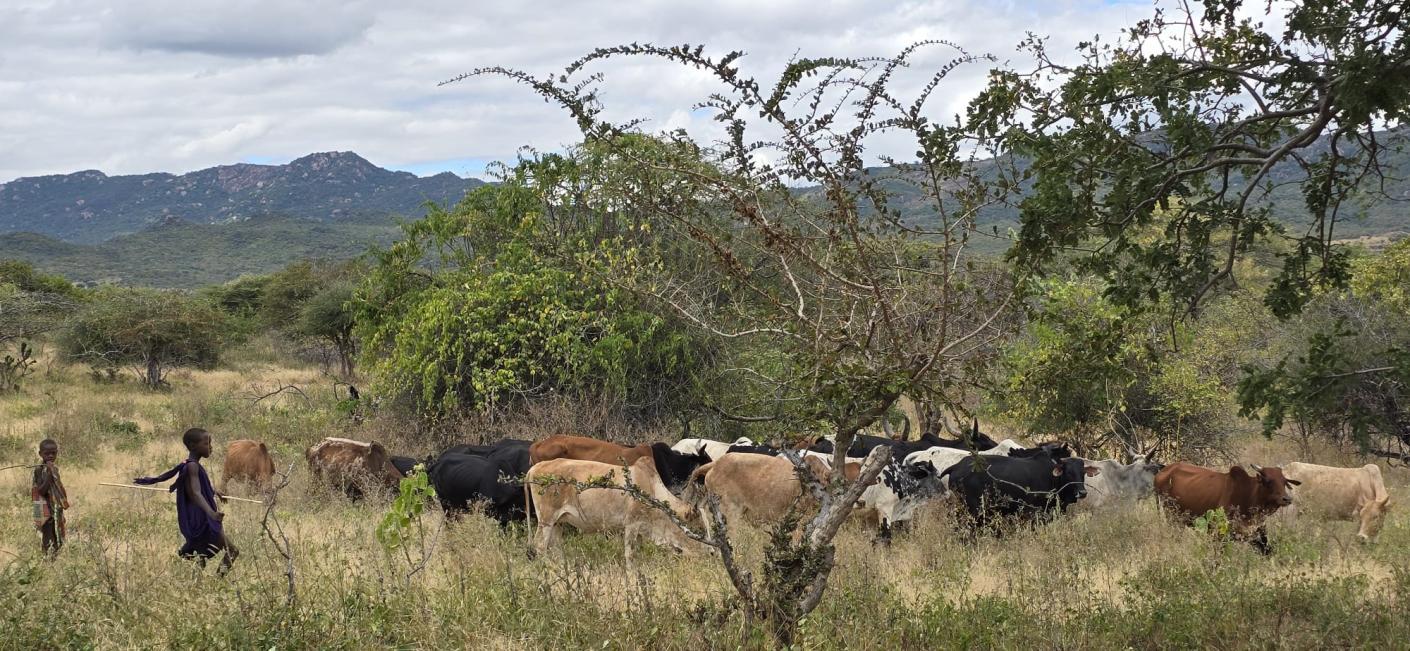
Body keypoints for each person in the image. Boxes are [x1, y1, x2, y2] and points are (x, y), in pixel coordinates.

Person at [134, 428, 238, 575]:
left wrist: (214, 491)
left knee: (200, 557)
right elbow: (195, 493)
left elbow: (198, 487)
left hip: (199, 519)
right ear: (193, 445)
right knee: (232, 551)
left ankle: (198, 585)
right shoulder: (192, 466)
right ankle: (214, 582)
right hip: (202, 520)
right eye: (206, 443)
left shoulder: (191, 465)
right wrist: (212, 513)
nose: (210, 447)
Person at [32, 439, 69, 557]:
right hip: (44, 508)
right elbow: (41, 491)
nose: (50, 456)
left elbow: (58, 487)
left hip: (55, 508)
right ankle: (47, 559)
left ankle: (56, 558)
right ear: (40, 454)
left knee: (57, 533)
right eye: (47, 453)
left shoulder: (54, 469)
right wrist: (48, 473)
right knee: (47, 535)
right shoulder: (39, 470)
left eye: (53, 453)